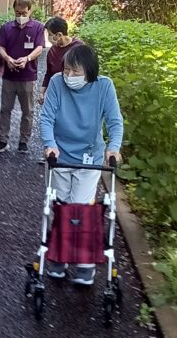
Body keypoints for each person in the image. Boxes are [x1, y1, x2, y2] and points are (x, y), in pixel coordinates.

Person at [40, 43, 124, 286]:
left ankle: (85, 264)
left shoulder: (104, 86)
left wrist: (113, 147)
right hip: (60, 156)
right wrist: (50, 144)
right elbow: (47, 117)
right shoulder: (57, 83)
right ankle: (59, 256)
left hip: (90, 158)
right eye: (66, 69)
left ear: (89, 71)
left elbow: (114, 121)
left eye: (75, 72)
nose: (69, 76)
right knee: (61, 206)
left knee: (81, 209)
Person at [0, 0, 45, 153]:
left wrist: (27, 59)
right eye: (17, 13)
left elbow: (40, 48)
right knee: (5, 109)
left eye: (24, 13)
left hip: (28, 76)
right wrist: (8, 59)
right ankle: (2, 140)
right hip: (9, 76)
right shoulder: (6, 27)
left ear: (30, 11)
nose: (21, 16)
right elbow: (1, 47)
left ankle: (24, 141)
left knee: (28, 111)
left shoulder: (38, 27)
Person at [39, 17, 83, 105]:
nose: (48, 38)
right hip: (57, 95)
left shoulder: (79, 48)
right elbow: (49, 74)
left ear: (59, 35)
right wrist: (42, 92)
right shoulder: (52, 51)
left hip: (75, 95)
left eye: (50, 34)